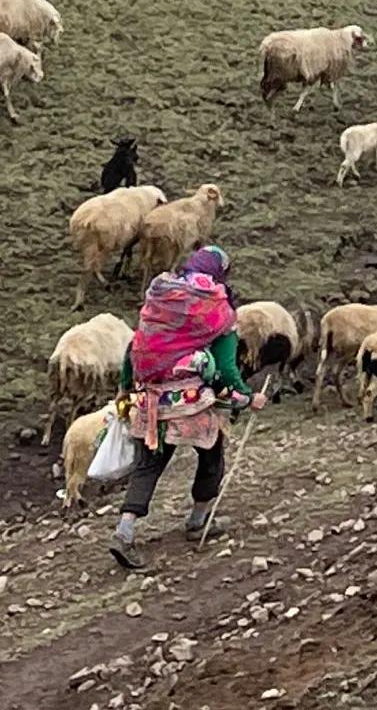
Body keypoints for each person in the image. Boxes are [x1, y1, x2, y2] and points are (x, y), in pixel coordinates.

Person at [108, 244, 260, 569]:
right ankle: (198, 520)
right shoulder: (217, 310)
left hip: (151, 403)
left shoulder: (159, 302)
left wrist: (124, 390)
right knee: (211, 454)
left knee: (148, 466)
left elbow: (134, 348)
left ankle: (125, 530)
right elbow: (227, 368)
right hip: (193, 405)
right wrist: (246, 396)